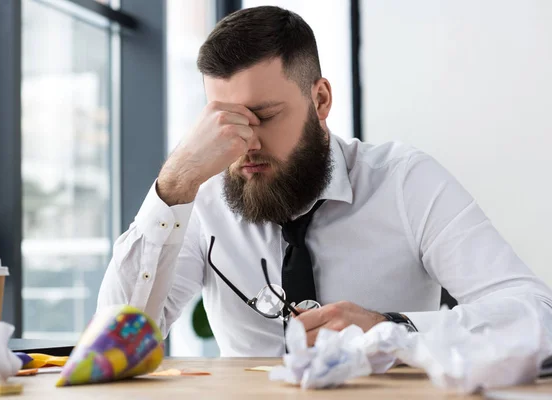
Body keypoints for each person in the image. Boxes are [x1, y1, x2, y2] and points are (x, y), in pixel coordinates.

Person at [97, 6, 552, 356]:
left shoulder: (404, 181)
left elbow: (537, 318)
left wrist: (392, 330)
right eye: (224, 120)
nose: (245, 142)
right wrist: (174, 184)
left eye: (263, 117)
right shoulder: (202, 197)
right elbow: (114, 343)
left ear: (320, 99)